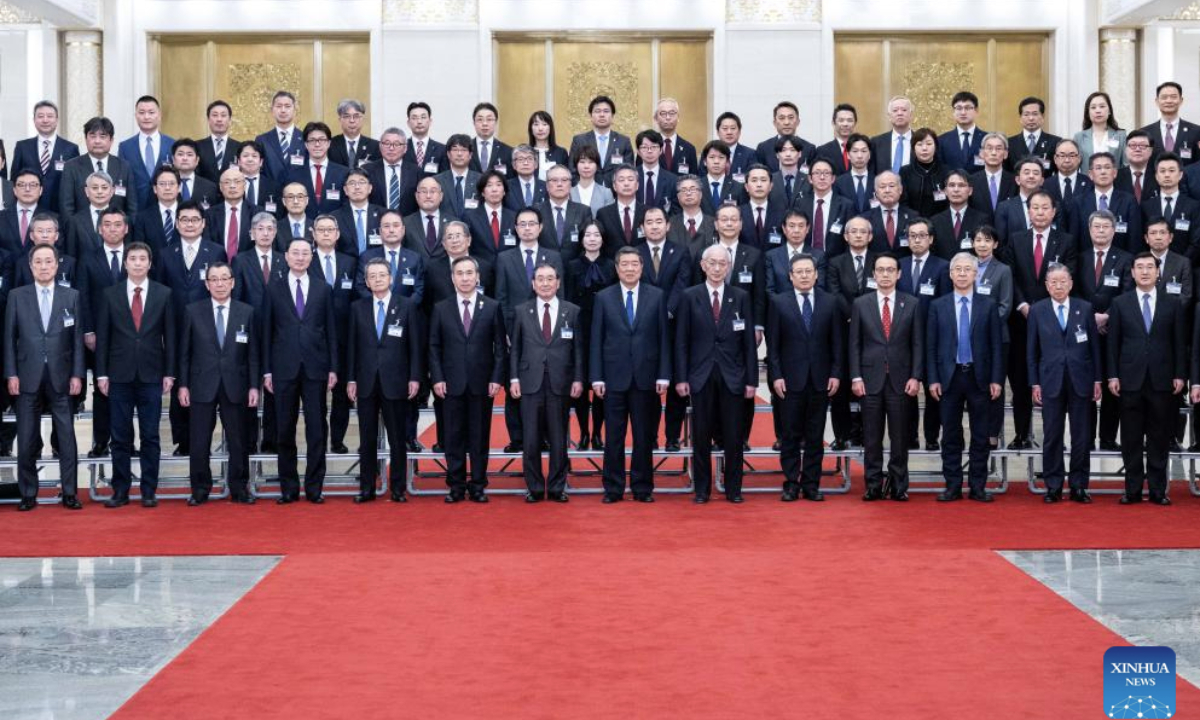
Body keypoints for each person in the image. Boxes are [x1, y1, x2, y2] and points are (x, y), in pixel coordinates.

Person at [4, 244, 84, 511]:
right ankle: (28, 493)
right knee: (26, 438)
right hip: (27, 376)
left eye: (48, 261)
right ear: (31, 266)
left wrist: (77, 374)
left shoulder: (71, 296)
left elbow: (76, 340)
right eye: (38, 262)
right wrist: (11, 373)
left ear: (57, 265)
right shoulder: (17, 296)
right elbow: (8, 339)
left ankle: (70, 492)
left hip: (61, 377)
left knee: (66, 437)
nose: (44, 266)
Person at [95, 242, 174, 508]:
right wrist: (102, 374)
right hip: (118, 374)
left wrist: (170, 373)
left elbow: (170, 338)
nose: (138, 263)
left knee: (151, 435)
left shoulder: (164, 294)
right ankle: (120, 490)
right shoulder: (110, 294)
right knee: (120, 436)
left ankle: (149, 490)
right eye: (133, 258)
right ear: (125, 263)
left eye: (143, 258)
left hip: (152, 374)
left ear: (150, 264)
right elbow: (103, 337)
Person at [675, 244, 757, 503]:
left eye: (723, 263)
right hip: (700, 376)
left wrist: (752, 380)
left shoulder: (741, 296)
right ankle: (701, 490)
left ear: (729, 266)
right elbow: (681, 341)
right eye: (713, 263)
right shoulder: (689, 296)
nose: (718, 268)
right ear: (703, 265)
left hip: (733, 377)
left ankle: (734, 490)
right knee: (701, 437)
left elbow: (748, 344)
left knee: (733, 437)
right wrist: (681, 377)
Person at [590, 247, 670, 503]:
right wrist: (597, 377)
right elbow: (596, 340)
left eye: (634, 264)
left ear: (642, 267)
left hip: (646, 378)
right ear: (616, 268)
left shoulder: (657, 296)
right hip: (613, 379)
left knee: (644, 436)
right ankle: (613, 488)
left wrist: (664, 375)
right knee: (613, 436)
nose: (629, 268)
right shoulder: (603, 298)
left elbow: (663, 339)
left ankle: (642, 487)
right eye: (624, 264)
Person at [262, 238, 338, 504]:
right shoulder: (273, 289)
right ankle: (289, 488)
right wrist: (267, 371)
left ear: (312, 256)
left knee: (317, 429)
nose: (300, 257)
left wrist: (333, 368)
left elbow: (330, 331)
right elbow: (267, 333)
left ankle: (315, 487)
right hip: (283, 369)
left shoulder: (323, 288)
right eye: (295, 252)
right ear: (286, 255)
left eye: (306, 253)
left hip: (316, 368)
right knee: (285, 430)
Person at [176, 260, 259, 505]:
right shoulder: (193, 310)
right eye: (214, 279)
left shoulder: (247, 311)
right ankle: (200, 489)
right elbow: (184, 353)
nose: (220, 283)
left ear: (233, 282)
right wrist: (183, 385)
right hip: (201, 384)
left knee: (238, 440)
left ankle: (239, 488)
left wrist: (254, 385)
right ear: (207, 283)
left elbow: (253, 353)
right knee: (199, 440)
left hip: (237, 385)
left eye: (224, 278)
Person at [1108, 252, 1187, 505]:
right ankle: (1131, 490)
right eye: (1139, 267)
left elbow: (1179, 342)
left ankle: (1157, 490)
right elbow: (1113, 344)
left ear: (1158, 272)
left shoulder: (1172, 303)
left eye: (1149, 267)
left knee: (1159, 437)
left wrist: (1179, 374)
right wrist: (1112, 375)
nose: (1144, 271)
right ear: (1131, 272)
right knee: (1130, 438)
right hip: (1129, 380)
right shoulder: (1120, 303)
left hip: (1162, 380)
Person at [925, 252, 1003, 502]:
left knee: (980, 434)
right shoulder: (938, 305)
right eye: (956, 269)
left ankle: (978, 486)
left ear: (975, 274)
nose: (961, 274)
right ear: (950, 274)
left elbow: (996, 346)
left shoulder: (988, 305)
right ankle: (953, 485)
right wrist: (933, 379)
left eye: (966, 269)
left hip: (979, 377)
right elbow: (931, 346)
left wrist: (996, 379)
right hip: (949, 377)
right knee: (950, 434)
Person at [429, 256, 506, 503]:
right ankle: (456, 485)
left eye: (469, 273)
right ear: (452, 278)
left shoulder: (492, 307)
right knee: (453, 436)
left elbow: (500, 349)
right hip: (450, 384)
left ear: (477, 276)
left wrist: (496, 378)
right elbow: (433, 347)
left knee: (479, 436)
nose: (464, 278)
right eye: (459, 273)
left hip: (482, 384)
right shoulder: (441, 308)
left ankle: (478, 485)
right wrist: (437, 378)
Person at [346, 258, 423, 504]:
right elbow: (352, 348)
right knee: (367, 438)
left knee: (397, 437)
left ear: (391, 278)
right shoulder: (357, 308)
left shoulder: (407, 305)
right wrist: (351, 379)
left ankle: (398, 488)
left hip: (397, 381)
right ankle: (367, 487)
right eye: (372, 276)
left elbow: (415, 346)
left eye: (382, 275)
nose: (377, 279)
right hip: (366, 382)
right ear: (367, 282)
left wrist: (414, 377)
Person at [768, 253, 843, 502]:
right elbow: (774, 347)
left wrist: (835, 373)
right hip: (789, 381)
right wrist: (776, 376)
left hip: (820, 380)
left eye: (808, 271)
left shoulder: (831, 302)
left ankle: (811, 484)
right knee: (789, 435)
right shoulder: (779, 302)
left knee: (815, 435)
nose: (804, 275)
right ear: (790, 276)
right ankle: (791, 483)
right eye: (798, 271)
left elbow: (837, 345)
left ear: (816, 274)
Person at [1004, 190, 1077, 449]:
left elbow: (1068, 276)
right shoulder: (1016, 239)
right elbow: (1010, 276)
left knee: (1052, 381)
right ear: (1028, 211)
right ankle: (1022, 434)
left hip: (1054, 322)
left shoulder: (1066, 241)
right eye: (1035, 207)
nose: (1039, 212)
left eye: (1045, 207)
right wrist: (1023, 305)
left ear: (1053, 211)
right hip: (1021, 320)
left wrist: (1044, 308)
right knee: (1022, 379)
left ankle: (1053, 440)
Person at [849, 252, 923, 501]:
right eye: (880, 269)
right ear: (873, 274)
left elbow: (917, 344)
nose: (885, 274)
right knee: (871, 436)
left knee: (900, 436)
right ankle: (873, 485)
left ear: (899, 274)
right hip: (869, 380)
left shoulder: (911, 303)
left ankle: (899, 485)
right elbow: (855, 344)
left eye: (890, 270)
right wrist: (856, 376)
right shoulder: (862, 304)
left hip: (901, 381)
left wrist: (916, 376)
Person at [509, 263, 583, 502]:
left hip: (560, 383)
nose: (545, 283)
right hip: (530, 382)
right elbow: (515, 349)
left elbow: (578, 350)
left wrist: (579, 379)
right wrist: (513, 378)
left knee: (559, 438)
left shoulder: (572, 311)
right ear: (533, 284)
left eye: (550, 278)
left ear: (558, 282)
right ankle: (534, 486)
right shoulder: (522, 311)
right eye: (540, 279)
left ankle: (557, 486)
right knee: (530, 439)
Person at [1028, 264, 1102, 504]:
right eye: (1053, 282)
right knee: (1052, 435)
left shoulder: (1085, 308)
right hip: (1050, 381)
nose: (1058, 286)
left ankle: (1079, 485)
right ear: (1047, 285)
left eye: (1063, 282)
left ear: (1070, 284)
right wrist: (1034, 383)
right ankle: (1053, 486)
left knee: (1081, 436)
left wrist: (1097, 379)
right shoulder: (1037, 311)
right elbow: (1031, 351)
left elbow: (1094, 349)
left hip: (1081, 380)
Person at [495, 207, 565, 452]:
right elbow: (501, 298)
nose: (527, 228)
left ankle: (545, 437)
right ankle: (517, 437)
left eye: (531, 223)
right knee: (515, 382)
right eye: (522, 224)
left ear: (540, 227)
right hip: (516, 330)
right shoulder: (505, 258)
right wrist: (506, 331)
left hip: (546, 331)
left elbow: (561, 295)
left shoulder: (552, 256)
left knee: (544, 383)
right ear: (515, 229)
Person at [158, 200, 224, 456]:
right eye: (183, 219)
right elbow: (162, 292)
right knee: (179, 379)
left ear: (203, 223)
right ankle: (182, 439)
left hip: (206, 325)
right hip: (175, 325)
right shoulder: (166, 253)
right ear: (176, 223)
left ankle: (203, 436)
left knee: (203, 378)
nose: (189, 224)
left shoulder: (215, 251)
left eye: (194, 219)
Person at [1073, 210, 1133, 451]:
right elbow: (1073, 289)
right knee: (1085, 383)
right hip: (1084, 329)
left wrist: (1107, 315)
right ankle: (1086, 437)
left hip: (1113, 329)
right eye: (1096, 227)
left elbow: (1127, 291)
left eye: (1105, 227)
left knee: (1111, 383)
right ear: (1089, 230)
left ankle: (1108, 438)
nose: (1100, 231)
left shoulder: (1125, 258)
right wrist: (1090, 316)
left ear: (1113, 230)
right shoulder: (1080, 257)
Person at [636, 206, 691, 451]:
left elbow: (683, 285)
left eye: (659, 221)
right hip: (644, 329)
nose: (655, 226)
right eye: (650, 222)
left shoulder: (680, 252)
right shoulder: (634, 254)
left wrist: (667, 311)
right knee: (648, 387)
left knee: (677, 384)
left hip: (675, 325)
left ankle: (672, 436)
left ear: (668, 225)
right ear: (642, 227)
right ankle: (650, 435)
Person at [80, 208, 132, 460]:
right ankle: (101, 440)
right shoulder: (88, 258)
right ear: (100, 229)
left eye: (117, 224)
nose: (112, 228)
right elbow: (84, 297)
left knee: (128, 388)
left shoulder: (136, 257)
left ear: (126, 228)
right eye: (107, 224)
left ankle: (127, 441)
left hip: (130, 335)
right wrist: (88, 330)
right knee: (101, 391)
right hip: (99, 336)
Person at [233, 212, 285, 454]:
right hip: (250, 332)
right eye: (260, 229)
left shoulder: (284, 260)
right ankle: (250, 440)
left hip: (278, 334)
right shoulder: (241, 260)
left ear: (275, 233)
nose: (265, 233)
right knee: (250, 387)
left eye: (269, 229)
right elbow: (237, 298)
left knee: (274, 388)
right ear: (251, 233)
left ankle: (271, 441)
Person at [897, 218, 950, 450]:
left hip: (933, 337)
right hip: (904, 338)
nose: (917, 240)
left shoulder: (942, 266)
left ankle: (931, 436)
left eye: (921, 235)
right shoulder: (899, 265)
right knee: (907, 389)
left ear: (930, 239)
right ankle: (910, 436)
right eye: (912, 236)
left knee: (933, 389)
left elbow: (946, 303)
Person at [565, 221, 615, 450]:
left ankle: (597, 433)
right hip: (579, 329)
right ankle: (584, 432)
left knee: (601, 384)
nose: (592, 239)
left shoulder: (612, 265)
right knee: (582, 384)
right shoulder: (571, 265)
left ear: (603, 239)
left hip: (606, 330)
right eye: (588, 235)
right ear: (581, 239)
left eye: (597, 235)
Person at [970, 226, 1013, 450]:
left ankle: (992, 432)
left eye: (987, 240)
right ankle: (976, 431)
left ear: (995, 244)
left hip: (995, 338)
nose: (982, 244)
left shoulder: (1003, 270)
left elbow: (1005, 307)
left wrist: (979, 325)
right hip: (967, 339)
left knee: (994, 385)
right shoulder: (965, 266)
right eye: (978, 240)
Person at [10, 100, 80, 214]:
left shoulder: (71, 149)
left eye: (50, 116)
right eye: (40, 116)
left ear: (57, 120)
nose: (45, 120)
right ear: (34, 120)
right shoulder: (22, 147)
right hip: (28, 210)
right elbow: (14, 179)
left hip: (60, 211)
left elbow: (75, 183)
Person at [60, 116, 136, 218]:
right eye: (92, 136)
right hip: (81, 231)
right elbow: (66, 208)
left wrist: (124, 230)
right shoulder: (71, 167)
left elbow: (132, 208)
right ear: (86, 139)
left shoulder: (124, 167)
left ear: (111, 140)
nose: (97, 141)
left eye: (102, 136)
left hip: (117, 232)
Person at [1067, 152, 1141, 252]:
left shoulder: (1129, 201)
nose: (1103, 172)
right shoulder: (1078, 202)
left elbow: (1134, 238)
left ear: (1114, 173)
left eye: (1107, 167)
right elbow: (1074, 238)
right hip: (1086, 261)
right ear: (1090, 174)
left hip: (1121, 262)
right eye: (1098, 168)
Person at [117, 95, 175, 210]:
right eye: (142, 112)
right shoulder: (125, 147)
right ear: (136, 116)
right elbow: (121, 181)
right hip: (136, 209)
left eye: (151, 112)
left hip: (166, 208)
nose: (146, 117)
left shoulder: (172, 144)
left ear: (159, 115)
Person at [1141, 153, 1200, 261]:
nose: (1167, 175)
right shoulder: (1146, 206)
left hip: (1185, 267)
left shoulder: (1194, 206)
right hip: (1152, 268)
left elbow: (1196, 242)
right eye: (1162, 171)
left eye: (1172, 171)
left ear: (1181, 175)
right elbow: (1141, 239)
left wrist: (1180, 265)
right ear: (1156, 176)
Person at [287, 122, 349, 219]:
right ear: (306, 145)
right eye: (312, 140)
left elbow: (346, 206)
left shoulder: (343, 173)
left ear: (329, 143)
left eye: (322, 140)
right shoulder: (294, 175)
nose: (317, 144)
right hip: (305, 230)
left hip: (333, 228)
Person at [537, 163, 593, 263]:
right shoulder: (536, 211)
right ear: (547, 186)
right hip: (543, 268)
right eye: (554, 180)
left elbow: (587, 244)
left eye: (564, 180)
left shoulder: (583, 211)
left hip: (575, 270)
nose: (559, 184)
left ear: (570, 184)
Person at [795, 158, 851, 255]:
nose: (822, 177)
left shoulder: (846, 205)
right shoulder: (800, 204)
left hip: (835, 261)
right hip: (806, 259)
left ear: (833, 178)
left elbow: (850, 238)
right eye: (817, 173)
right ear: (810, 178)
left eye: (826, 173)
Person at [1139, 81, 1200, 166]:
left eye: (1173, 97)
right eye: (1164, 97)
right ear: (1157, 101)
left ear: (1181, 100)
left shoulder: (1196, 131)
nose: (1169, 101)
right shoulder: (1145, 133)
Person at [254, 91, 306, 184]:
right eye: (278, 106)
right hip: (270, 195)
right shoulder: (262, 140)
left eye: (287, 106)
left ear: (295, 110)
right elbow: (258, 171)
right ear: (272, 110)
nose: (283, 110)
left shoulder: (305, 138)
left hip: (297, 195)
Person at [931, 170, 987, 259]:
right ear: (945, 191)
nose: (956, 190)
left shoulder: (982, 219)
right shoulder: (935, 221)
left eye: (961, 185)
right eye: (952, 185)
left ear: (970, 191)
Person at [204, 167, 256, 260]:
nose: (232, 186)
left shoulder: (257, 213)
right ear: (220, 187)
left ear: (244, 186)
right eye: (227, 182)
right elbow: (207, 245)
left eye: (237, 182)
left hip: (247, 268)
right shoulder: (209, 215)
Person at [366, 127, 419, 217]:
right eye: (387, 143)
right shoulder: (367, 170)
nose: (391, 148)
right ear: (380, 146)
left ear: (405, 148)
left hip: (406, 224)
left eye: (397, 144)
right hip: (375, 223)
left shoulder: (416, 172)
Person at [332, 169, 384, 257]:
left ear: (370, 188)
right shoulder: (335, 217)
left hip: (377, 266)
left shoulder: (383, 215)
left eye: (362, 182)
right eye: (352, 183)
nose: (357, 187)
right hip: (347, 267)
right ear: (345, 190)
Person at [899, 127, 949, 219]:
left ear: (936, 147)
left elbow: (950, 202)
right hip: (913, 222)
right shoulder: (905, 172)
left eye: (929, 144)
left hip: (941, 221)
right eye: (919, 144)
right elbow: (903, 202)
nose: (924, 148)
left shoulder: (946, 171)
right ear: (913, 148)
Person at [595, 165, 645, 254]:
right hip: (612, 265)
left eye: (630, 179)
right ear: (614, 186)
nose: (626, 183)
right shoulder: (603, 214)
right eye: (621, 180)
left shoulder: (647, 212)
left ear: (637, 185)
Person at [968, 133, 1017, 223]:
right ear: (981, 153)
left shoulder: (1015, 181)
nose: (994, 153)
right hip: (980, 232)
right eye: (989, 148)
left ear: (1005, 154)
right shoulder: (971, 181)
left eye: (998, 149)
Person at [1006, 96, 1061, 176]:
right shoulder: (1009, 143)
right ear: (1020, 118)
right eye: (1026, 114)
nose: (1031, 118)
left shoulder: (1055, 142)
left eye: (1035, 114)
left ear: (1042, 116)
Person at [1075, 91, 1127, 169]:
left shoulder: (1121, 135)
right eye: (1093, 107)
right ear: (1088, 113)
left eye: (1102, 106)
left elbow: (1126, 165)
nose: (1098, 111)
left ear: (1109, 111)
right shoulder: (1079, 137)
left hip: (1115, 181)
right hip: (1087, 180)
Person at [936, 91, 987, 172]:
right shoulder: (942, 141)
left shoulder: (987, 139)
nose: (963, 112)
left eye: (967, 108)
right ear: (953, 111)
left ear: (976, 110)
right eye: (959, 108)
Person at [435, 134, 481, 221]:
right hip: (445, 230)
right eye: (455, 150)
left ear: (470, 154)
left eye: (464, 150)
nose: (459, 154)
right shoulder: (437, 181)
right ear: (448, 154)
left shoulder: (481, 180)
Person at [738, 164, 785, 248]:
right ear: (746, 187)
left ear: (771, 186)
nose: (759, 184)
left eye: (763, 180)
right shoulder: (738, 213)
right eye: (754, 180)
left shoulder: (782, 213)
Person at [196, 100, 241, 183]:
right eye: (215, 115)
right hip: (205, 194)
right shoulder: (197, 146)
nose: (219, 119)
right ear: (208, 120)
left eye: (223, 115)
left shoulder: (240, 147)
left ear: (230, 120)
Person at [698, 140, 748, 215]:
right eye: (712, 157)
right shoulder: (697, 186)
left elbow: (743, 214)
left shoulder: (739, 188)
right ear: (705, 161)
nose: (716, 161)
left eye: (721, 157)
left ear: (727, 162)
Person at [651, 97, 698, 176]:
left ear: (678, 117)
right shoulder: (647, 147)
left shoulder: (689, 149)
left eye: (672, 113)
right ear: (656, 118)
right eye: (663, 113)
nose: (668, 117)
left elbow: (694, 180)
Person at [328, 99, 379, 170]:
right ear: (340, 120)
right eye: (347, 116)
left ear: (362, 119)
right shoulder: (330, 145)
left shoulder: (375, 146)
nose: (352, 120)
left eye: (356, 116)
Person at [832, 133, 875, 216]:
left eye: (864, 151)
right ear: (848, 155)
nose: (859, 156)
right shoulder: (838, 182)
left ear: (869, 154)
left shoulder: (877, 181)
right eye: (855, 151)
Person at [635, 129, 678, 212]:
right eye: (644, 147)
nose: (649, 151)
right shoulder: (631, 177)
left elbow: (675, 211)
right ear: (638, 152)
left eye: (654, 147)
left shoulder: (673, 180)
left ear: (661, 150)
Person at [1042, 139, 1092, 209]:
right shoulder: (1046, 184)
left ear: (1079, 158)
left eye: (1071, 156)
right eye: (1062, 156)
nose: (1067, 160)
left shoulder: (1089, 183)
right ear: (1055, 159)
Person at [870, 96, 914, 175]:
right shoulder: (876, 143)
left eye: (904, 110)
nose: (899, 113)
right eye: (895, 110)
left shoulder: (920, 141)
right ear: (889, 116)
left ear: (911, 115)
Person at [469, 102, 514, 176]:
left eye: (489, 119)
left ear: (496, 123)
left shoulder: (508, 151)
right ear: (474, 123)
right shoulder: (466, 149)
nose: (485, 123)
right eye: (480, 119)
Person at [404, 101, 447, 177]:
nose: (419, 122)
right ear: (408, 123)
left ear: (430, 121)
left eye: (423, 117)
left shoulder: (442, 149)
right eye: (414, 118)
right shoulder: (401, 147)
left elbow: (444, 177)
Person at [569, 145, 614, 214]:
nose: (586, 166)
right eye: (582, 162)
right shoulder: (568, 193)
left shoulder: (606, 193)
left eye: (591, 162)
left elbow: (609, 218)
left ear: (597, 166)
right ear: (576, 165)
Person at [815, 103, 858, 175]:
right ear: (833, 123)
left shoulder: (863, 149)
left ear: (855, 123)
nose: (845, 124)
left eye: (849, 120)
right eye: (841, 120)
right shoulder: (823, 150)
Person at [526, 110, 569, 180]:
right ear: (531, 129)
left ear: (550, 128)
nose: (540, 128)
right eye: (536, 124)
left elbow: (566, 178)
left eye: (544, 124)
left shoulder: (561, 152)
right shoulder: (525, 153)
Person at [714, 111, 756, 179]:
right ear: (718, 132)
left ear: (739, 132)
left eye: (733, 128)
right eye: (725, 128)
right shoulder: (709, 154)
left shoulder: (750, 154)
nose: (729, 132)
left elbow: (753, 179)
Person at [504, 144, 546, 211]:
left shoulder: (546, 186)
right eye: (520, 159)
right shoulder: (506, 186)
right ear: (514, 165)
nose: (525, 163)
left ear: (536, 164)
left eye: (529, 159)